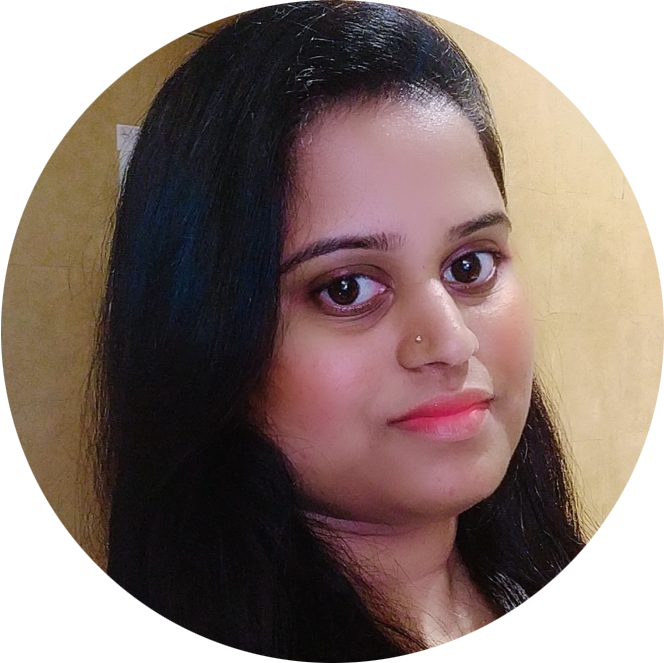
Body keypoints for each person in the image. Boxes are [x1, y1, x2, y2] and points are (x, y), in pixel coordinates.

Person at [26, 0, 664, 662]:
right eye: (347, 288)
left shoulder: (595, 603)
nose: (451, 342)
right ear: (207, 335)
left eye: (469, 265)